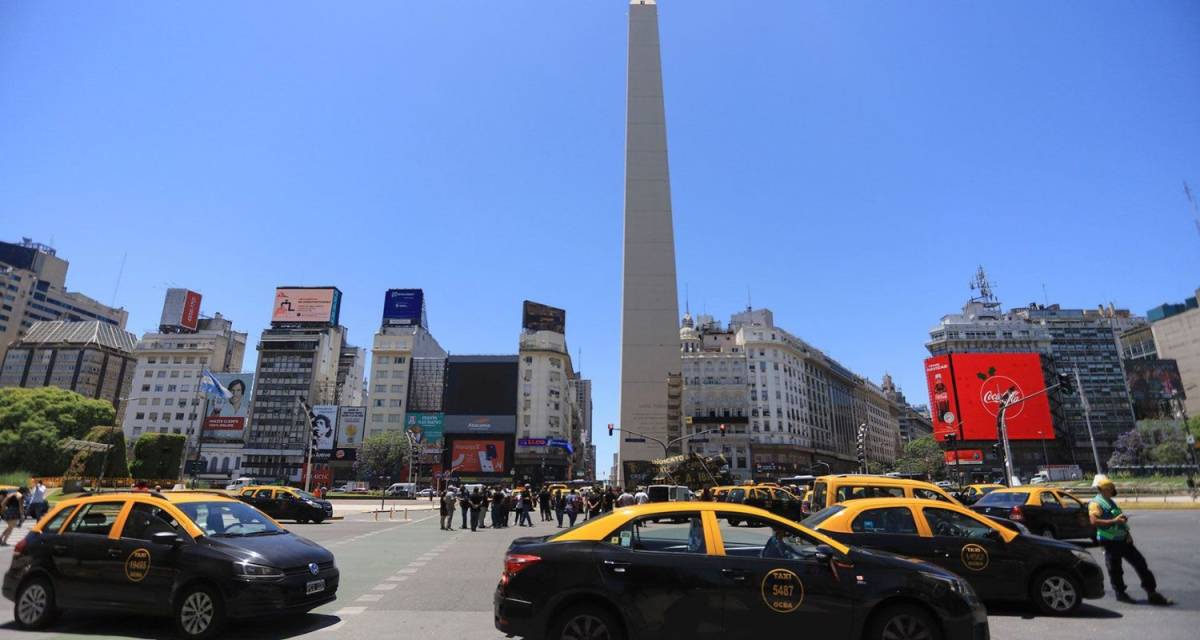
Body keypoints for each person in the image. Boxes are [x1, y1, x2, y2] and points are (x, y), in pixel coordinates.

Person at [1089, 476, 1173, 605]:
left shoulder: (1110, 502)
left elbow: (1119, 520)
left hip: (1122, 539)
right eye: (1110, 488)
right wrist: (1114, 521)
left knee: (1140, 563)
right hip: (1110, 542)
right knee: (1115, 569)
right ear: (1103, 489)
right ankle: (1120, 594)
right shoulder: (1096, 503)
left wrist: (1127, 533)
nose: (1113, 490)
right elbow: (1094, 521)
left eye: (1112, 488)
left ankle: (1152, 592)